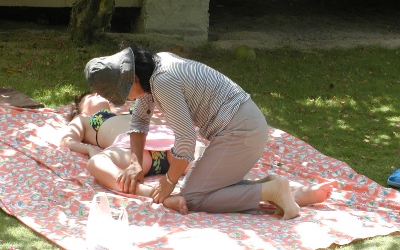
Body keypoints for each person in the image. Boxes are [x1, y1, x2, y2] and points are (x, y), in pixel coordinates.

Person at [84, 47, 331, 219]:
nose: (125, 99)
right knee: (200, 190)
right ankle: (271, 188)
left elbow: (185, 140)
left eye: (124, 92)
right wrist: (134, 164)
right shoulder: (154, 70)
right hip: (243, 126)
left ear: (134, 78)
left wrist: (168, 182)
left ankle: (271, 191)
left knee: (194, 198)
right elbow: (138, 121)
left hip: (240, 130)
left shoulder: (162, 81)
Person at [60, 92, 190, 213]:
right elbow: (67, 140)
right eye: (91, 96)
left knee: (198, 154)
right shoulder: (84, 118)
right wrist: (89, 149)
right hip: (132, 151)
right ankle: (153, 194)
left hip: (166, 144)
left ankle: (200, 191)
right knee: (95, 162)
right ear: (83, 109)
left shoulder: (127, 111)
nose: (97, 94)